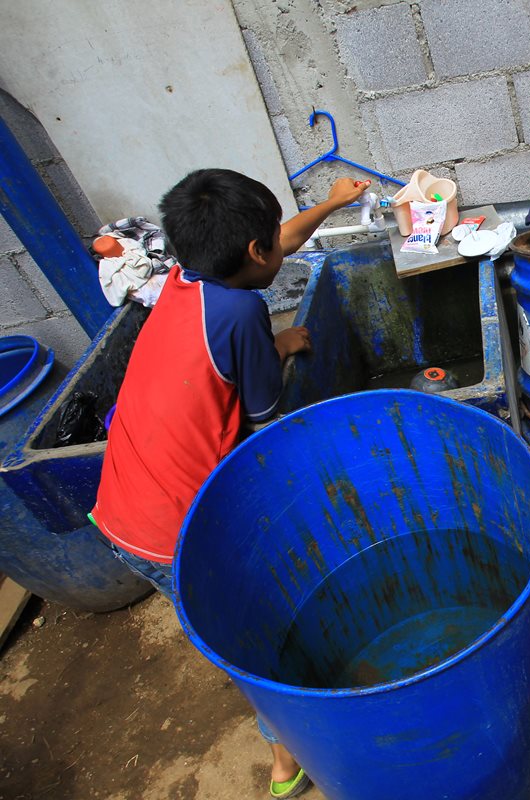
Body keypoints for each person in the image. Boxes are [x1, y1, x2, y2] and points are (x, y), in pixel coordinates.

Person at [89, 168, 368, 799]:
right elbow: (264, 424)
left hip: (120, 513)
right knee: (258, 642)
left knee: (238, 630)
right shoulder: (244, 307)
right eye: (271, 237)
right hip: (177, 532)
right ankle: (286, 761)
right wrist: (272, 353)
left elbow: (273, 252)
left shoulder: (186, 280)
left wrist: (329, 203)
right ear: (253, 251)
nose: (279, 243)